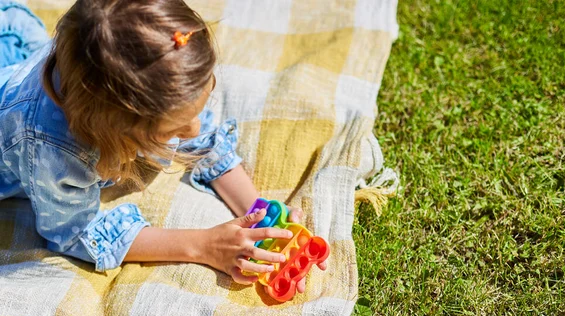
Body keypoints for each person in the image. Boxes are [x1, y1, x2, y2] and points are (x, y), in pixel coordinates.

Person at [0, 0, 326, 292]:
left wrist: (259, 215)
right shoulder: (55, 150)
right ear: (113, 132)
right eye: (173, 128)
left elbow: (204, 140)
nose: (195, 130)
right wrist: (204, 245)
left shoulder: (120, 78)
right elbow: (76, 232)